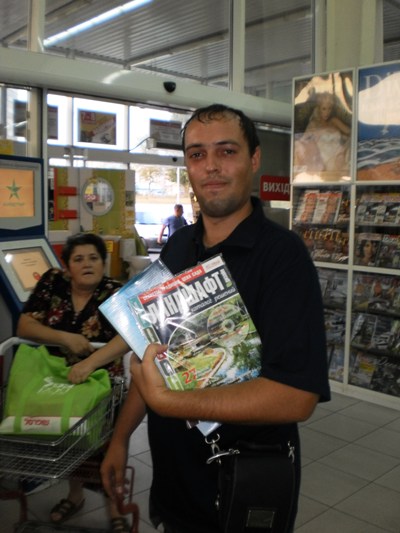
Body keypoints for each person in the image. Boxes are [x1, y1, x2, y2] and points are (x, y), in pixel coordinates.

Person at [101, 104, 331, 533]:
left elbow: (296, 396)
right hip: (176, 482)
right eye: (197, 154)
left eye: (226, 151)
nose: (211, 166)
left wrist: (168, 403)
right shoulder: (178, 246)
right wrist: (120, 438)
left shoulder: (283, 257)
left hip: (245, 485)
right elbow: (152, 354)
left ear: (254, 159)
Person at [16, 232, 130, 533]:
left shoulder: (115, 292)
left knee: (107, 447)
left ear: (103, 263)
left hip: (102, 383)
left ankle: (115, 509)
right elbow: (25, 325)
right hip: (58, 383)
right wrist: (65, 337)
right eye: (78, 259)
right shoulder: (53, 282)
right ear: (67, 266)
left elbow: (129, 336)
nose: (87, 264)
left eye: (94, 258)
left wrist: (89, 362)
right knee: (71, 443)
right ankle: (75, 496)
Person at [294, 91, 351, 178]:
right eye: (324, 109)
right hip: (323, 163)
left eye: (329, 108)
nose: (327, 112)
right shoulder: (314, 125)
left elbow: (351, 132)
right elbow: (303, 140)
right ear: (319, 109)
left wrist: (343, 137)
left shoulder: (334, 121)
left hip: (339, 158)